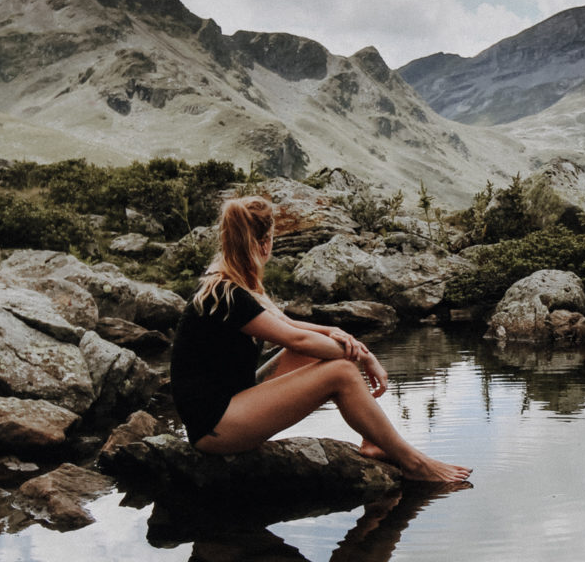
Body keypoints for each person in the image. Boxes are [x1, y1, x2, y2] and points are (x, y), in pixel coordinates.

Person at [170, 195, 470, 484]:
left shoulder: (229, 286)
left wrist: (337, 333)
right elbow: (296, 339)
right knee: (340, 371)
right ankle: (413, 463)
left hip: (228, 407)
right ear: (265, 244)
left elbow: (289, 325)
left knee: (318, 354)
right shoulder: (227, 295)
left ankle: (374, 441)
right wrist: (363, 358)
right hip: (216, 429)